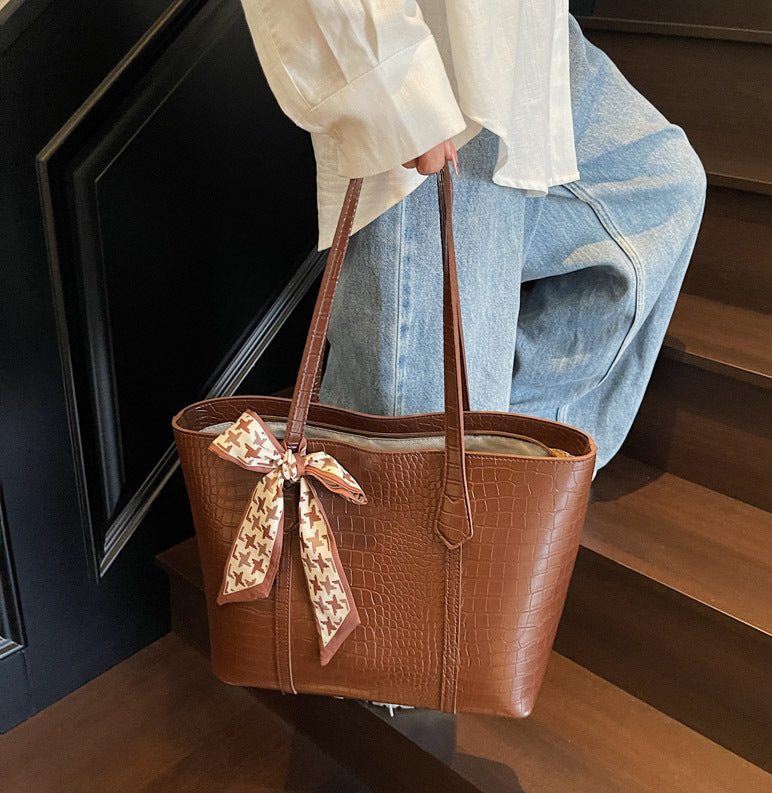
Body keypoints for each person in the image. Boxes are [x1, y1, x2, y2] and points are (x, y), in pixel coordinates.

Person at [239, 0, 706, 472]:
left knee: (663, 186)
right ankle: (443, 495)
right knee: (418, 442)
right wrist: (392, 78)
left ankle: (503, 471)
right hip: (441, 45)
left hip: (530, 31)